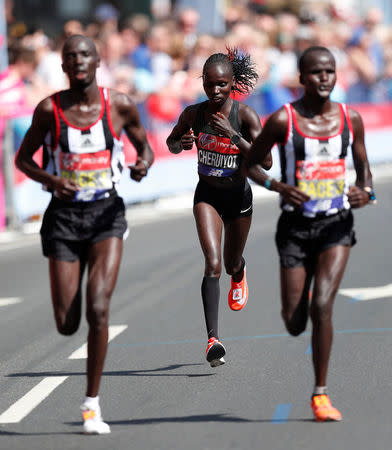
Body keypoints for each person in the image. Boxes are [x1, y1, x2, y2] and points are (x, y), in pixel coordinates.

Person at [15, 35, 154, 434]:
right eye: (70, 56)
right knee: (66, 322)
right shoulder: (49, 110)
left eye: (85, 55)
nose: (78, 61)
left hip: (106, 215)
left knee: (99, 307)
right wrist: (51, 180)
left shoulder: (119, 106)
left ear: (97, 62)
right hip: (63, 220)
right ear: (62, 67)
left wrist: (141, 165)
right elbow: (24, 159)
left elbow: (143, 148)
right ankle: (70, 312)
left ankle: (91, 403)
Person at [247, 46, 374, 422]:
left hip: (337, 225)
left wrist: (365, 193)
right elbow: (249, 163)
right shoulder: (282, 121)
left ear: (336, 76)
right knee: (294, 321)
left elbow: (365, 174)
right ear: (301, 79)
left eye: (330, 72)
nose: (323, 78)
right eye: (316, 73)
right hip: (295, 230)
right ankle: (295, 301)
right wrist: (277, 186)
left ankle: (320, 394)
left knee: (322, 306)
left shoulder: (352, 120)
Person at [166, 48, 272, 367]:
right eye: (209, 84)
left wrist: (234, 136)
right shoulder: (193, 114)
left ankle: (239, 273)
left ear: (232, 84)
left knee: (229, 263)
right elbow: (171, 143)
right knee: (211, 263)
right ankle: (213, 340)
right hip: (207, 195)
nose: (215, 91)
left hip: (238, 197)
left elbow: (265, 162)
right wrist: (181, 143)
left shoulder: (246, 116)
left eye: (222, 85)